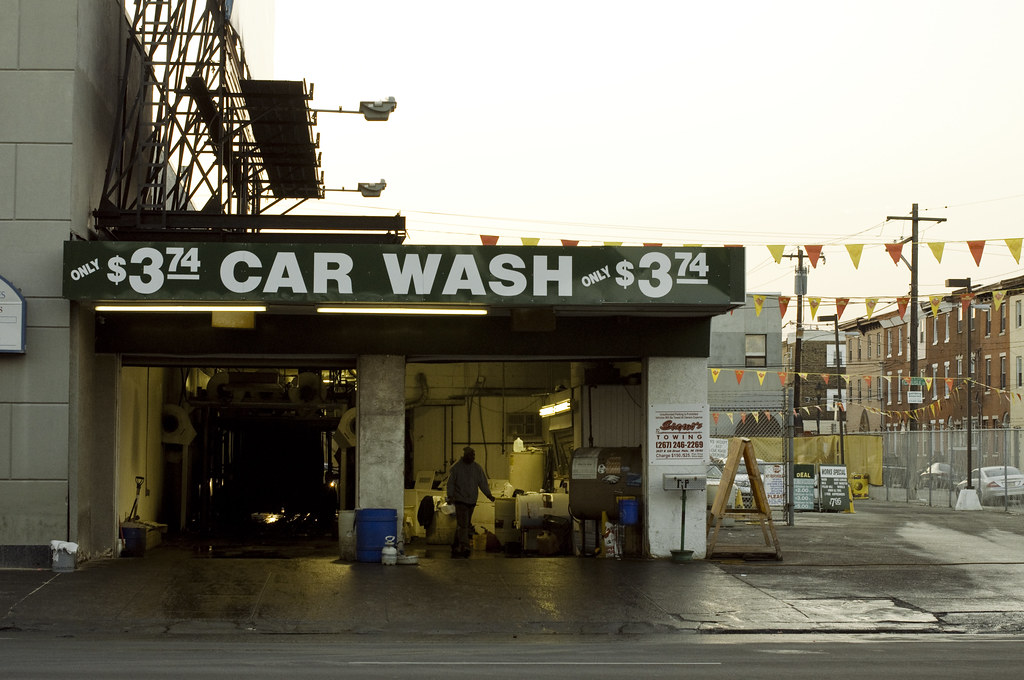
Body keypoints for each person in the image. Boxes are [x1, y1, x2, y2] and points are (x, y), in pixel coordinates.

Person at [446, 446, 495, 558]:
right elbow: (451, 483)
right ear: (465, 455)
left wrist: (489, 495)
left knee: (464, 524)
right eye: (471, 455)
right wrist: (450, 496)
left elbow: (482, 483)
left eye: (473, 455)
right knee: (464, 524)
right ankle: (465, 546)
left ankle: (455, 544)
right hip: (460, 500)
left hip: (471, 501)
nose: (473, 457)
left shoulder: (477, 468)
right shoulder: (456, 468)